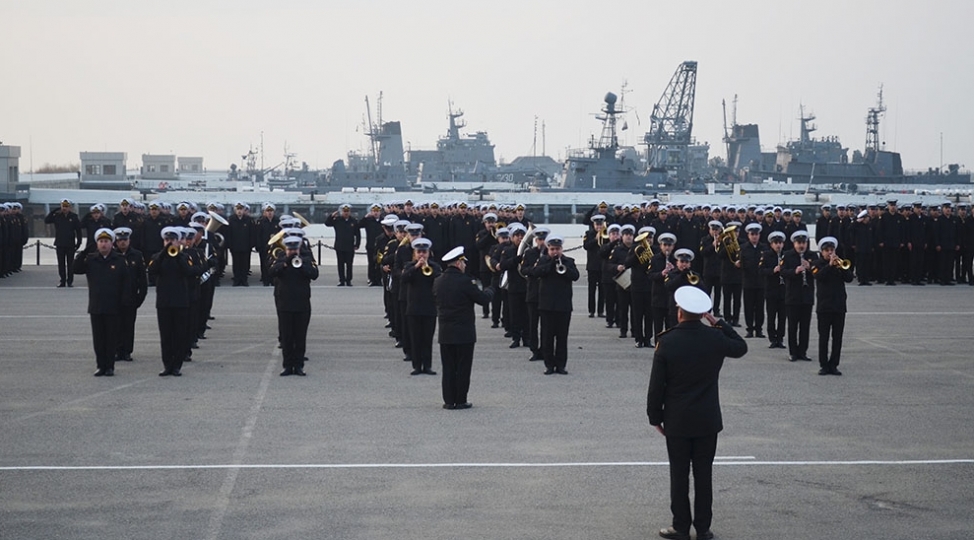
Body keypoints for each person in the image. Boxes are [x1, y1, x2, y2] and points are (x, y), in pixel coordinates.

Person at [647, 286, 747, 540]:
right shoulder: (715, 338)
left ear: (679, 312)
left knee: (679, 475)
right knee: (704, 475)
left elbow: (656, 385)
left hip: (677, 419)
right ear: (702, 314)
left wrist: (654, 417)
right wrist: (718, 322)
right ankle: (703, 528)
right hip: (707, 418)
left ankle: (681, 526)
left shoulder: (667, 340)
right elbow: (740, 346)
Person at [432, 246, 493, 410]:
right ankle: (460, 400)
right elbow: (482, 299)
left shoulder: (438, 281)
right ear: (459, 263)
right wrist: (490, 290)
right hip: (464, 332)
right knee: (463, 367)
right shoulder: (465, 281)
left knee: (448, 367)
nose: (465, 265)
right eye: (463, 262)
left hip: (445, 331)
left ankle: (448, 400)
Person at [72, 228, 130, 376]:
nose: (104, 244)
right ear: (97, 244)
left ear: (112, 244)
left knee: (111, 338)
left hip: (113, 306)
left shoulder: (119, 260)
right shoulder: (91, 259)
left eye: (106, 242)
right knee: (98, 339)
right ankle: (100, 365)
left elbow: (125, 284)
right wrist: (84, 252)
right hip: (96, 306)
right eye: (101, 241)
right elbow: (75, 269)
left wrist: (124, 303)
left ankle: (109, 366)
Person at [147, 227, 199, 376]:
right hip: (164, 302)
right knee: (166, 336)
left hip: (181, 301)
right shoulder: (157, 257)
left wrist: (177, 256)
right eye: (167, 240)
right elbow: (151, 271)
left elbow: (189, 272)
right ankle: (167, 365)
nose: (169, 243)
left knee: (179, 335)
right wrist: (164, 253)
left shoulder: (183, 257)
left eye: (172, 240)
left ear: (177, 241)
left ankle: (177, 365)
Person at [529, 235, 580, 375]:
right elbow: (534, 273)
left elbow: (576, 276)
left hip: (563, 306)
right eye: (552, 249)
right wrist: (550, 265)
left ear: (561, 249)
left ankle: (561, 365)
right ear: (548, 249)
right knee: (547, 337)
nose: (554, 252)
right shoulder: (542, 261)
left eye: (557, 249)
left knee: (562, 337)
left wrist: (564, 269)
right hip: (546, 306)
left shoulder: (569, 261)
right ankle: (549, 365)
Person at [270, 234, 319, 376]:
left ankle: (298, 366)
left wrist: (302, 265)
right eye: (290, 249)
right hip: (285, 304)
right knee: (287, 337)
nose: (292, 252)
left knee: (300, 337)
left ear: (298, 249)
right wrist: (285, 263)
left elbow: (314, 274)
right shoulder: (280, 259)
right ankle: (287, 365)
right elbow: (272, 272)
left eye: (294, 250)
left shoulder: (306, 259)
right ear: (286, 249)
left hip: (302, 304)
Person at [812, 236, 853, 375]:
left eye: (832, 250)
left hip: (839, 305)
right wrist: (829, 265)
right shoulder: (817, 264)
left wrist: (841, 268)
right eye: (826, 250)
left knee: (837, 337)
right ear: (821, 252)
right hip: (824, 306)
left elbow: (849, 278)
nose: (830, 252)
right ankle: (824, 365)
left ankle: (834, 364)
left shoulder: (839, 264)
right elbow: (818, 277)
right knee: (823, 337)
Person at [400, 237, 440, 376]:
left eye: (424, 252)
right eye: (419, 252)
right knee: (415, 338)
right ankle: (417, 366)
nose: (422, 255)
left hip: (429, 307)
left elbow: (439, 280)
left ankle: (427, 365)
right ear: (415, 253)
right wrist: (417, 267)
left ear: (429, 253)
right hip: (414, 308)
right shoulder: (409, 266)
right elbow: (404, 279)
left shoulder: (434, 266)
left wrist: (427, 267)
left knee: (427, 339)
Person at [112, 227, 147, 363]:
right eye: (120, 240)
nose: (122, 242)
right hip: (114, 298)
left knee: (128, 326)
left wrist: (140, 298)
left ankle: (127, 351)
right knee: (115, 326)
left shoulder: (136, 255)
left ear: (129, 240)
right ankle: (116, 350)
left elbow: (142, 279)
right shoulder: (112, 255)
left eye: (125, 240)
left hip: (131, 297)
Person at [782, 230, 817, 362]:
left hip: (807, 296)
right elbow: (783, 272)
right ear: (794, 243)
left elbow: (819, 272)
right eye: (799, 243)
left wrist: (810, 267)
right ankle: (793, 352)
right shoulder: (788, 255)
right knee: (792, 326)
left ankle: (803, 351)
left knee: (805, 326)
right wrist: (795, 271)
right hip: (792, 296)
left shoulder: (812, 255)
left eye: (803, 243)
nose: (801, 245)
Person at [45, 199, 83, 287]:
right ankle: (62, 280)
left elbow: (78, 230)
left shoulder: (74, 217)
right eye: (63, 206)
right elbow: (47, 220)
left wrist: (79, 242)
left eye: (66, 206)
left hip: (70, 243)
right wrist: (54, 210)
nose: (64, 208)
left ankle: (70, 281)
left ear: (70, 207)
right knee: (61, 263)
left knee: (70, 263)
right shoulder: (57, 216)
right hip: (60, 243)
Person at [325, 203, 361, 286]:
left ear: (350, 212)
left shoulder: (353, 221)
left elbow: (357, 234)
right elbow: (327, 223)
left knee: (349, 264)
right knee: (340, 264)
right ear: (341, 212)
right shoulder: (337, 220)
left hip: (350, 246)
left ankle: (348, 280)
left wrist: (357, 244)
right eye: (344, 211)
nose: (346, 213)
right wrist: (331, 216)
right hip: (339, 246)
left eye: (347, 211)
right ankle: (341, 280)